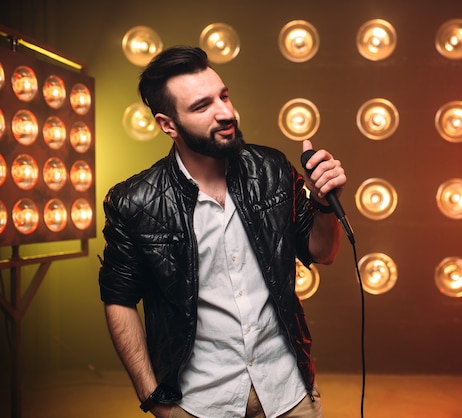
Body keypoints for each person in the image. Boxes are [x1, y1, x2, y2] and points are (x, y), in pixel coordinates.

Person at [98, 45, 346, 418]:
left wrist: (325, 204)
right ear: (168, 125)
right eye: (202, 106)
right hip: (198, 401)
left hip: (288, 391)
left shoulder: (272, 170)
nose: (225, 113)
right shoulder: (134, 202)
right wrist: (152, 397)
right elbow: (118, 299)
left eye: (224, 96)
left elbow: (323, 252)